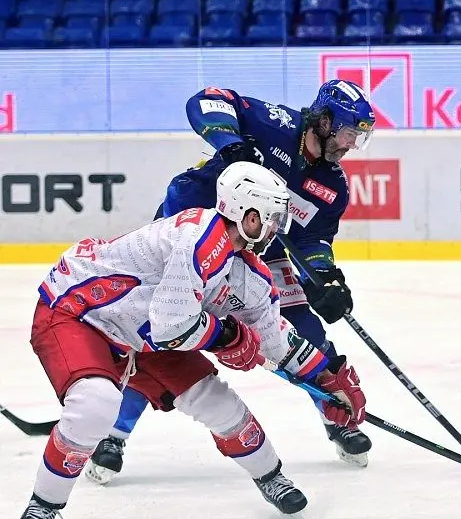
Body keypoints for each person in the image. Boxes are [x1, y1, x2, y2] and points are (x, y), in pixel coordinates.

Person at [19, 162, 367, 518]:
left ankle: (271, 476)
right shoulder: (197, 238)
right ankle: (43, 507)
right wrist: (226, 336)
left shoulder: (249, 273)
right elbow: (172, 327)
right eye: (273, 219)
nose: (278, 229)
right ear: (249, 217)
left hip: (143, 333)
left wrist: (325, 378)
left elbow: (274, 339)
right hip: (81, 311)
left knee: (217, 402)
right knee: (96, 404)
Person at [86, 79, 377, 484]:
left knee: (305, 332)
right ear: (325, 120)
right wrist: (230, 143)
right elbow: (209, 99)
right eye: (347, 134)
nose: (350, 145)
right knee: (153, 334)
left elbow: (312, 239)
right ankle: (114, 434)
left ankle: (335, 414)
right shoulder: (276, 124)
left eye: (357, 138)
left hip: (259, 250)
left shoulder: (332, 186)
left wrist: (325, 276)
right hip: (192, 236)